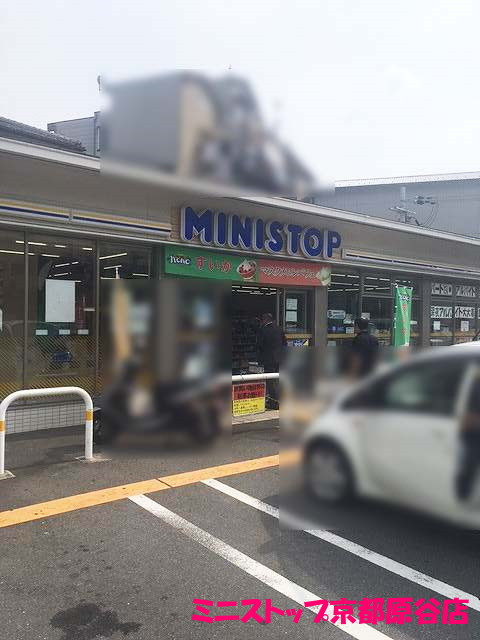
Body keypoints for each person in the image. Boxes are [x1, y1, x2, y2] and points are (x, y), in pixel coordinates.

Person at [456, 372, 480, 501]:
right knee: (468, 464)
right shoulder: (475, 380)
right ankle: (464, 494)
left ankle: (464, 493)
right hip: (472, 431)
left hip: (471, 431)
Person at [257, 313, 286, 409]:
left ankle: (274, 403)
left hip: (268, 359)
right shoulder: (279, 329)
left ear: (265, 320)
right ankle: (281, 400)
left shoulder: (263, 330)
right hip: (279, 359)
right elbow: (284, 343)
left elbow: (259, 345)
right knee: (278, 380)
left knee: (270, 381)